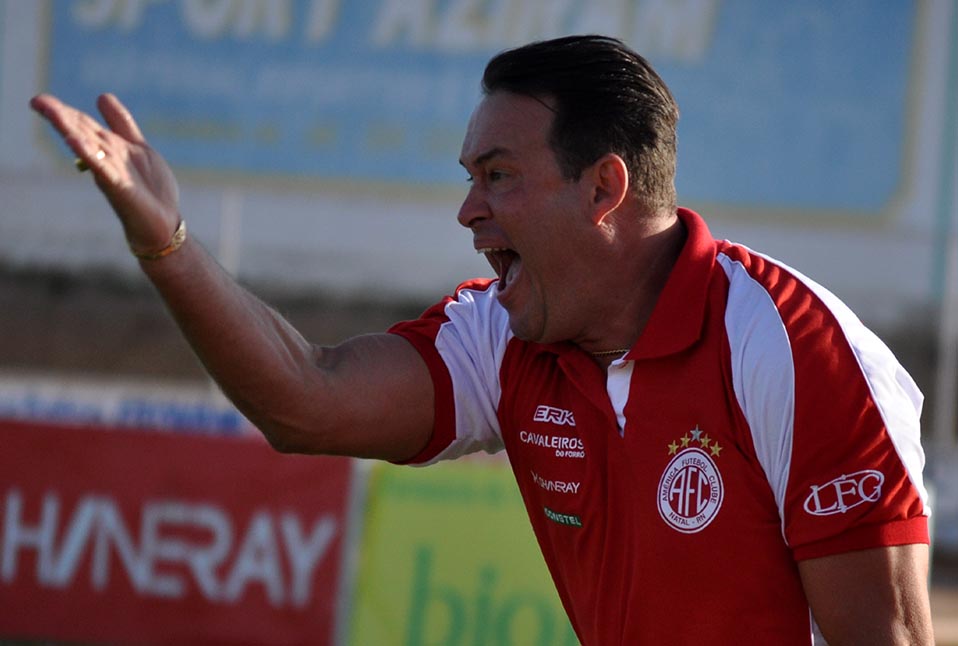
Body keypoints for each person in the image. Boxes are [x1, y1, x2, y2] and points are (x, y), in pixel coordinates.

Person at [31, 35, 932, 645]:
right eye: (471, 177)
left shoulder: (796, 351)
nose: (468, 211)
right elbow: (308, 398)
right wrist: (168, 244)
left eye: (498, 176)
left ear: (604, 188)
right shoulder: (501, 331)